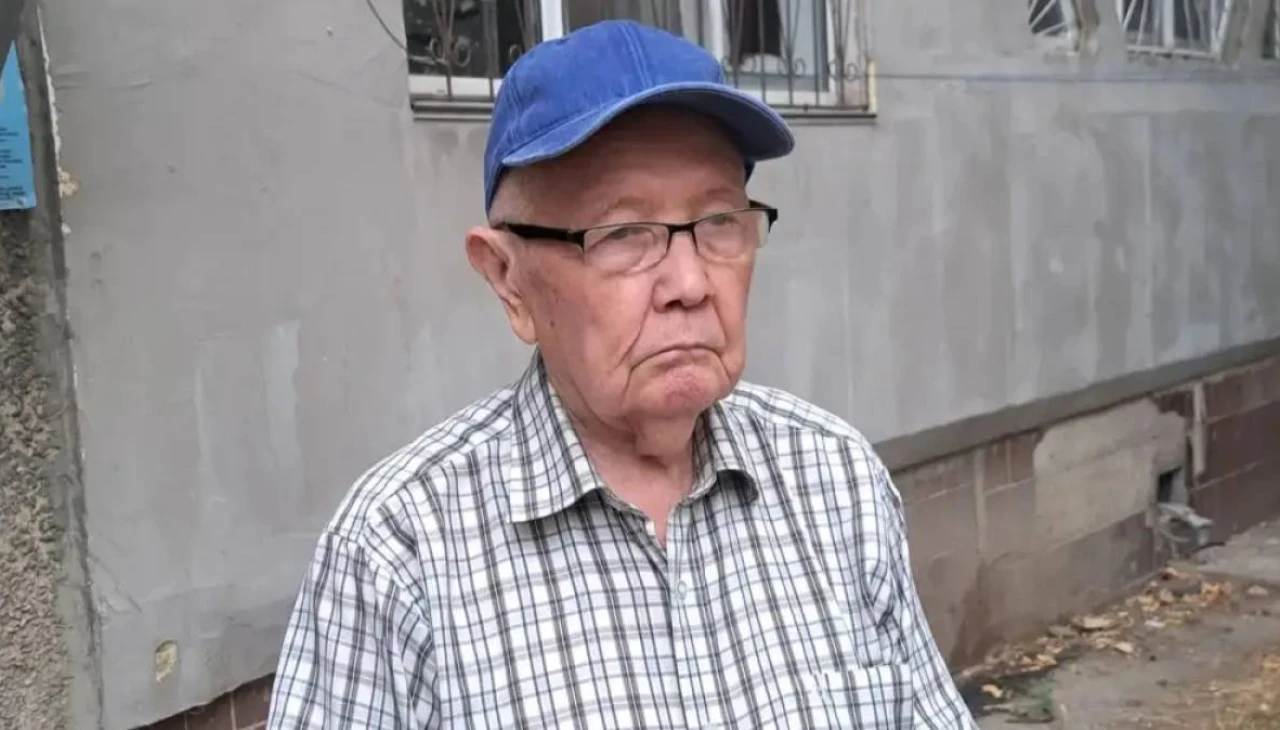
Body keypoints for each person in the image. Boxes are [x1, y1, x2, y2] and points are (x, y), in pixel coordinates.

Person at [267, 18, 977, 730]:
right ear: (509, 280)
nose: (690, 284)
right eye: (623, 234)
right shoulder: (399, 553)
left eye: (720, 222)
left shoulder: (835, 482)